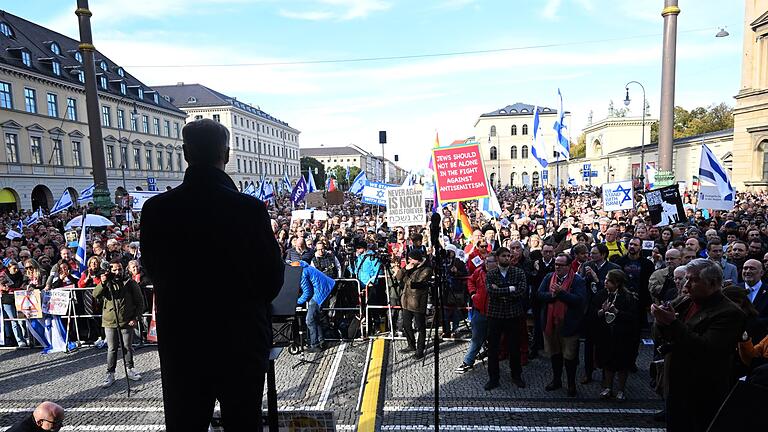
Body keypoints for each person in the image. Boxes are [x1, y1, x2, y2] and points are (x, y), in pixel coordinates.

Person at [140, 119, 284, 431]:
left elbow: (152, 270)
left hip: (183, 343)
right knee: (243, 424)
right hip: (240, 340)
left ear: (184, 153)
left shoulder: (156, 210)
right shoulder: (250, 209)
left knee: (185, 424)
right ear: (227, 154)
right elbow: (272, 279)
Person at [651, 258, 745, 432]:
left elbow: (706, 349)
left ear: (713, 283)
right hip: (677, 386)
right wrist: (660, 322)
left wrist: (672, 323)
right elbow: (660, 336)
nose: (686, 285)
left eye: (692, 280)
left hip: (703, 391)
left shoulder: (729, 312)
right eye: (686, 278)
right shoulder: (686, 301)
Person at [538, 253, 587, 397]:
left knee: (570, 357)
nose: (557, 267)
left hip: (569, 325)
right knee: (555, 354)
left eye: (561, 265)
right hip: (551, 324)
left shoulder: (577, 281)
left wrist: (561, 293)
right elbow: (539, 295)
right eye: (556, 264)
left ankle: (571, 384)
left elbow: (579, 300)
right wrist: (551, 296)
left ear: (568, 266)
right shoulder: (548, 277)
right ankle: (556, 380)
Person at [93, 259, 145, 388]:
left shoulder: (130, 283)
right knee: (112, 349)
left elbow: (140, 302)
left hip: (127, 321)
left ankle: (130, 369)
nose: (117, 272)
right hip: (109, 322)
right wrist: (103, 282)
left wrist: (135, 318)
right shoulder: (107, 283)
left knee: (127, 347)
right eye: (114, 269)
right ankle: (110, 373)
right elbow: (95, 295)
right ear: (110, 270)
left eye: (120, 269)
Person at [484, 246, 528, 391]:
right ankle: (493, 378)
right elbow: (491, 292)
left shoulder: (518, 272)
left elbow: (521, 291)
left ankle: (516, 375)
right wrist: (510, 288)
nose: (507, 258)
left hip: (513, 314)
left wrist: (501, 290)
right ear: (497, 258)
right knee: (493, 348)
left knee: (514, 347)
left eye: (508, 256)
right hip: (495, 315)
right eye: (504, 256)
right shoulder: (491, 274)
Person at [591, 269, 637, 401]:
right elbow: (592, 312)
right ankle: (608, 387)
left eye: (608, 280)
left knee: (622, 365)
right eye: (605, 279)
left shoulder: (628, 297)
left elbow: (633, 317)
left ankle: (621, 389)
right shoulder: (601, 295)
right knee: (607, 363)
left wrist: (616, 311)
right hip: (605, 335)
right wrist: (601, 311)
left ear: (616, 283)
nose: (605, 282)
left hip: (622, 336)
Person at [455, 253, 496, 374]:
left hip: (494, 312)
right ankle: (468, 361)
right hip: (480, 310)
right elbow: (470, 281)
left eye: (490, 262)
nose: (487, 264)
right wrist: (473, 294)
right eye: (486, 261)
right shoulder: (479, 271)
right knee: (476, 338)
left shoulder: (499, 274)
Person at [396, 249, 432, 359]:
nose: (409, 261)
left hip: (417, 302)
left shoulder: (426, 269)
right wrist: (403, 270)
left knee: (420, 327)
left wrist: (406, 273)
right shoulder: (409, 266)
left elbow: (415, 284)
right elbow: (398, 278)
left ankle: (420, 350)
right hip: (406, 301)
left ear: (417, 259)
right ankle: (411, 345)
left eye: (411, 259)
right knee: (406, 325)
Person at [294, 260, 335, 352]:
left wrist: (297, 302)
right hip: (327, 287)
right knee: (315, 318)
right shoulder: (305, 267)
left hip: (320, 293)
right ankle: (321, 340)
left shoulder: (302, 273)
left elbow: (307, 293)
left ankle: (314, 344)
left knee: (309, 320)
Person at [741, 259, 768, 343]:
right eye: (745, 268)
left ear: (761, 273)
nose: (747, 271)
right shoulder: (734, 290)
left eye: (752, 268)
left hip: (762, 341)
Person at [1, 260, 27, 347]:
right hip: (7, 301)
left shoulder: (22, 275)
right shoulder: (4, 276)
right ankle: (20, 340)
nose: (16, 270)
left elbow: (24, 285)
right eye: (14, 268)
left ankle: (26, 337)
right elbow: (3, 287)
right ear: (9, 268)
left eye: (17, 268)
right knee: (14, 321)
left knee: (22, 320)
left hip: (20, 299)